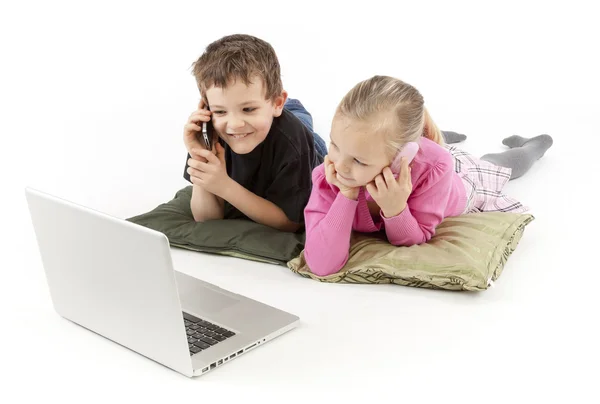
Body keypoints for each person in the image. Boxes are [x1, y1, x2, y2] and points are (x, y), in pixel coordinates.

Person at [303, 75, 553, 275]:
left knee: (493, 163)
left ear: (402, 158)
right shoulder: (331, 175)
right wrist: (346, 194)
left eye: (358, 159)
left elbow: (412, 239)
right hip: (416, 149)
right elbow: (321, 264)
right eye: (334, 145)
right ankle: (437, 138)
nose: (341, 166)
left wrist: (395, 209)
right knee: (431, 146)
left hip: (462, 180)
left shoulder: (435, 167)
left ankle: (532, 147)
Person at [182, 34, 325, 233]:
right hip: (266, 123)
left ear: (277, 103)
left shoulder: (292, 140)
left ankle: (293, 110)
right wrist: (201, 157)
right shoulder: (209, 132)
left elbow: (292, 222)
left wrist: (224, 187)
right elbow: (206, 219)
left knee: (304, 127)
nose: (234, 124)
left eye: (248, 109)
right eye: (220, 111)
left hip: (294, 134)